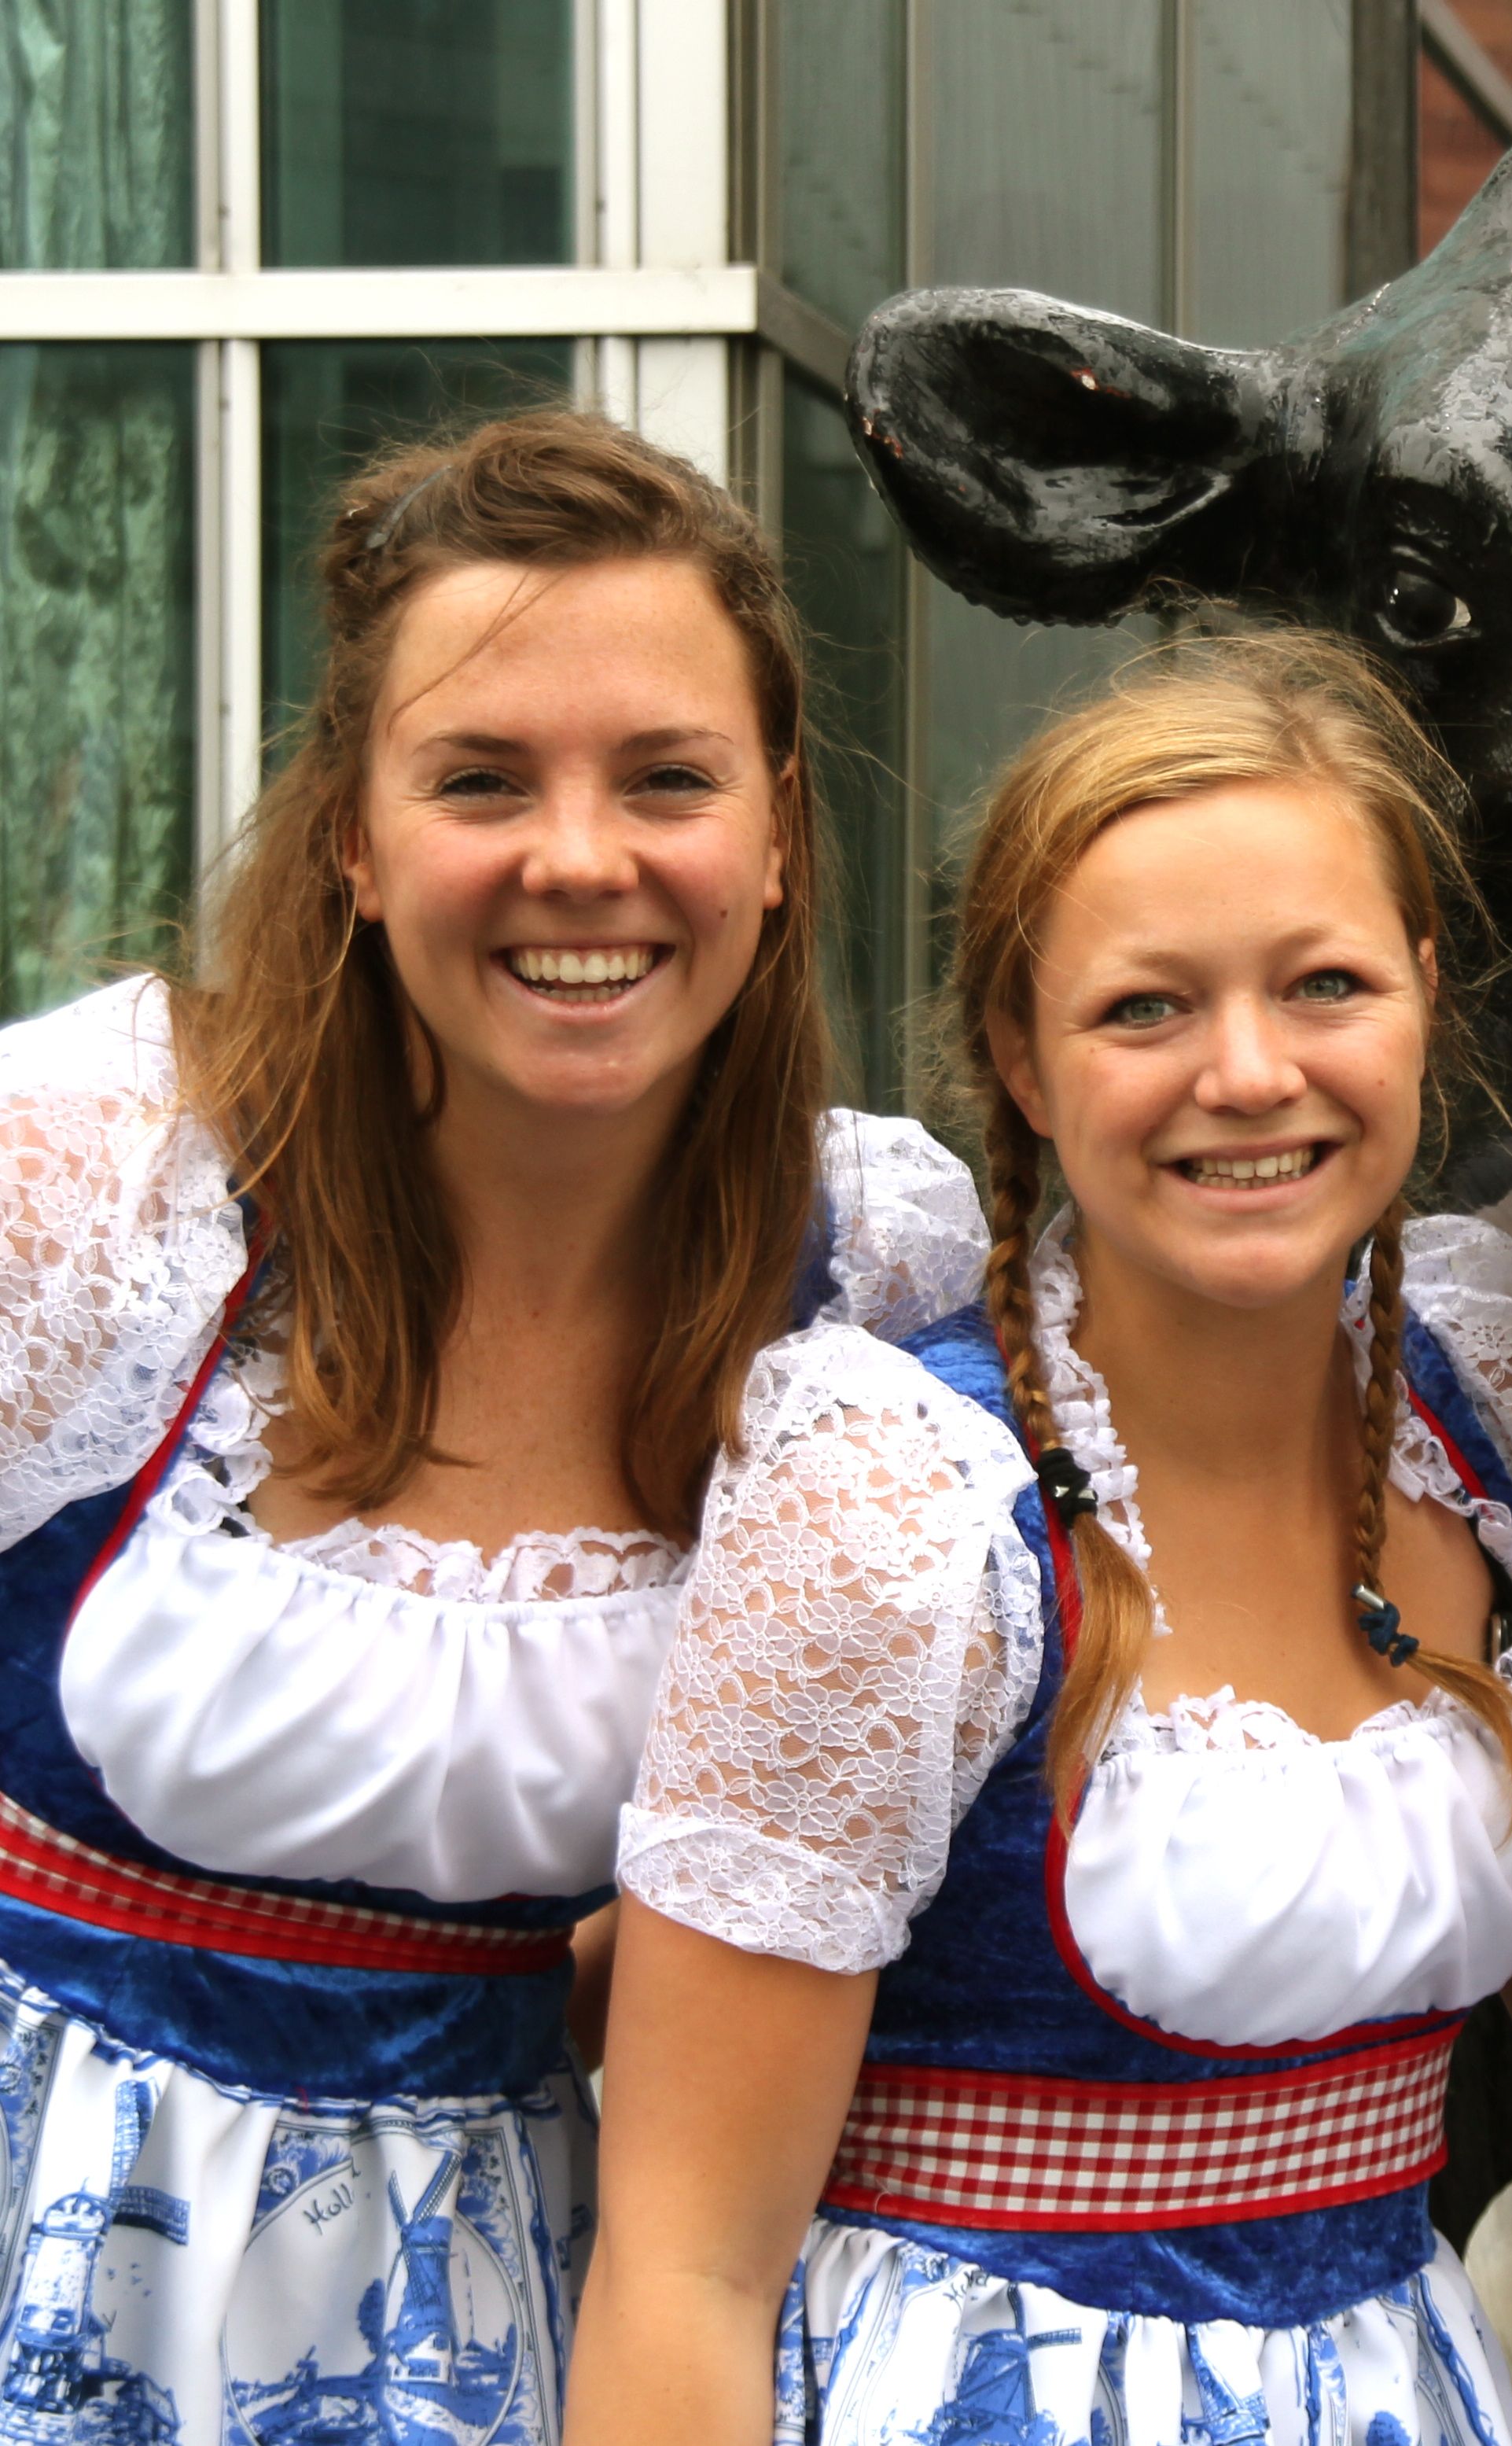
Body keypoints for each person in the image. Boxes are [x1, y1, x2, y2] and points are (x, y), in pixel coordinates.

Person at [563, 631, 1512, 2446]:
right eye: (1145, 1008)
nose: (1248, 1071)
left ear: (1424, 994)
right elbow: (684, 2270)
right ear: (1018, 1054)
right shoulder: (898, 1501)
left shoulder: (1489, 1405)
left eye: (1324, 984)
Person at [0, 411, 981, 2439]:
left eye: (668, 778)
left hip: (500, 2315)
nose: (580, 858)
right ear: (353, 841)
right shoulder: (103, 1180)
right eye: (480, 779)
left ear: (778, 834)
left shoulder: (870, 1278)